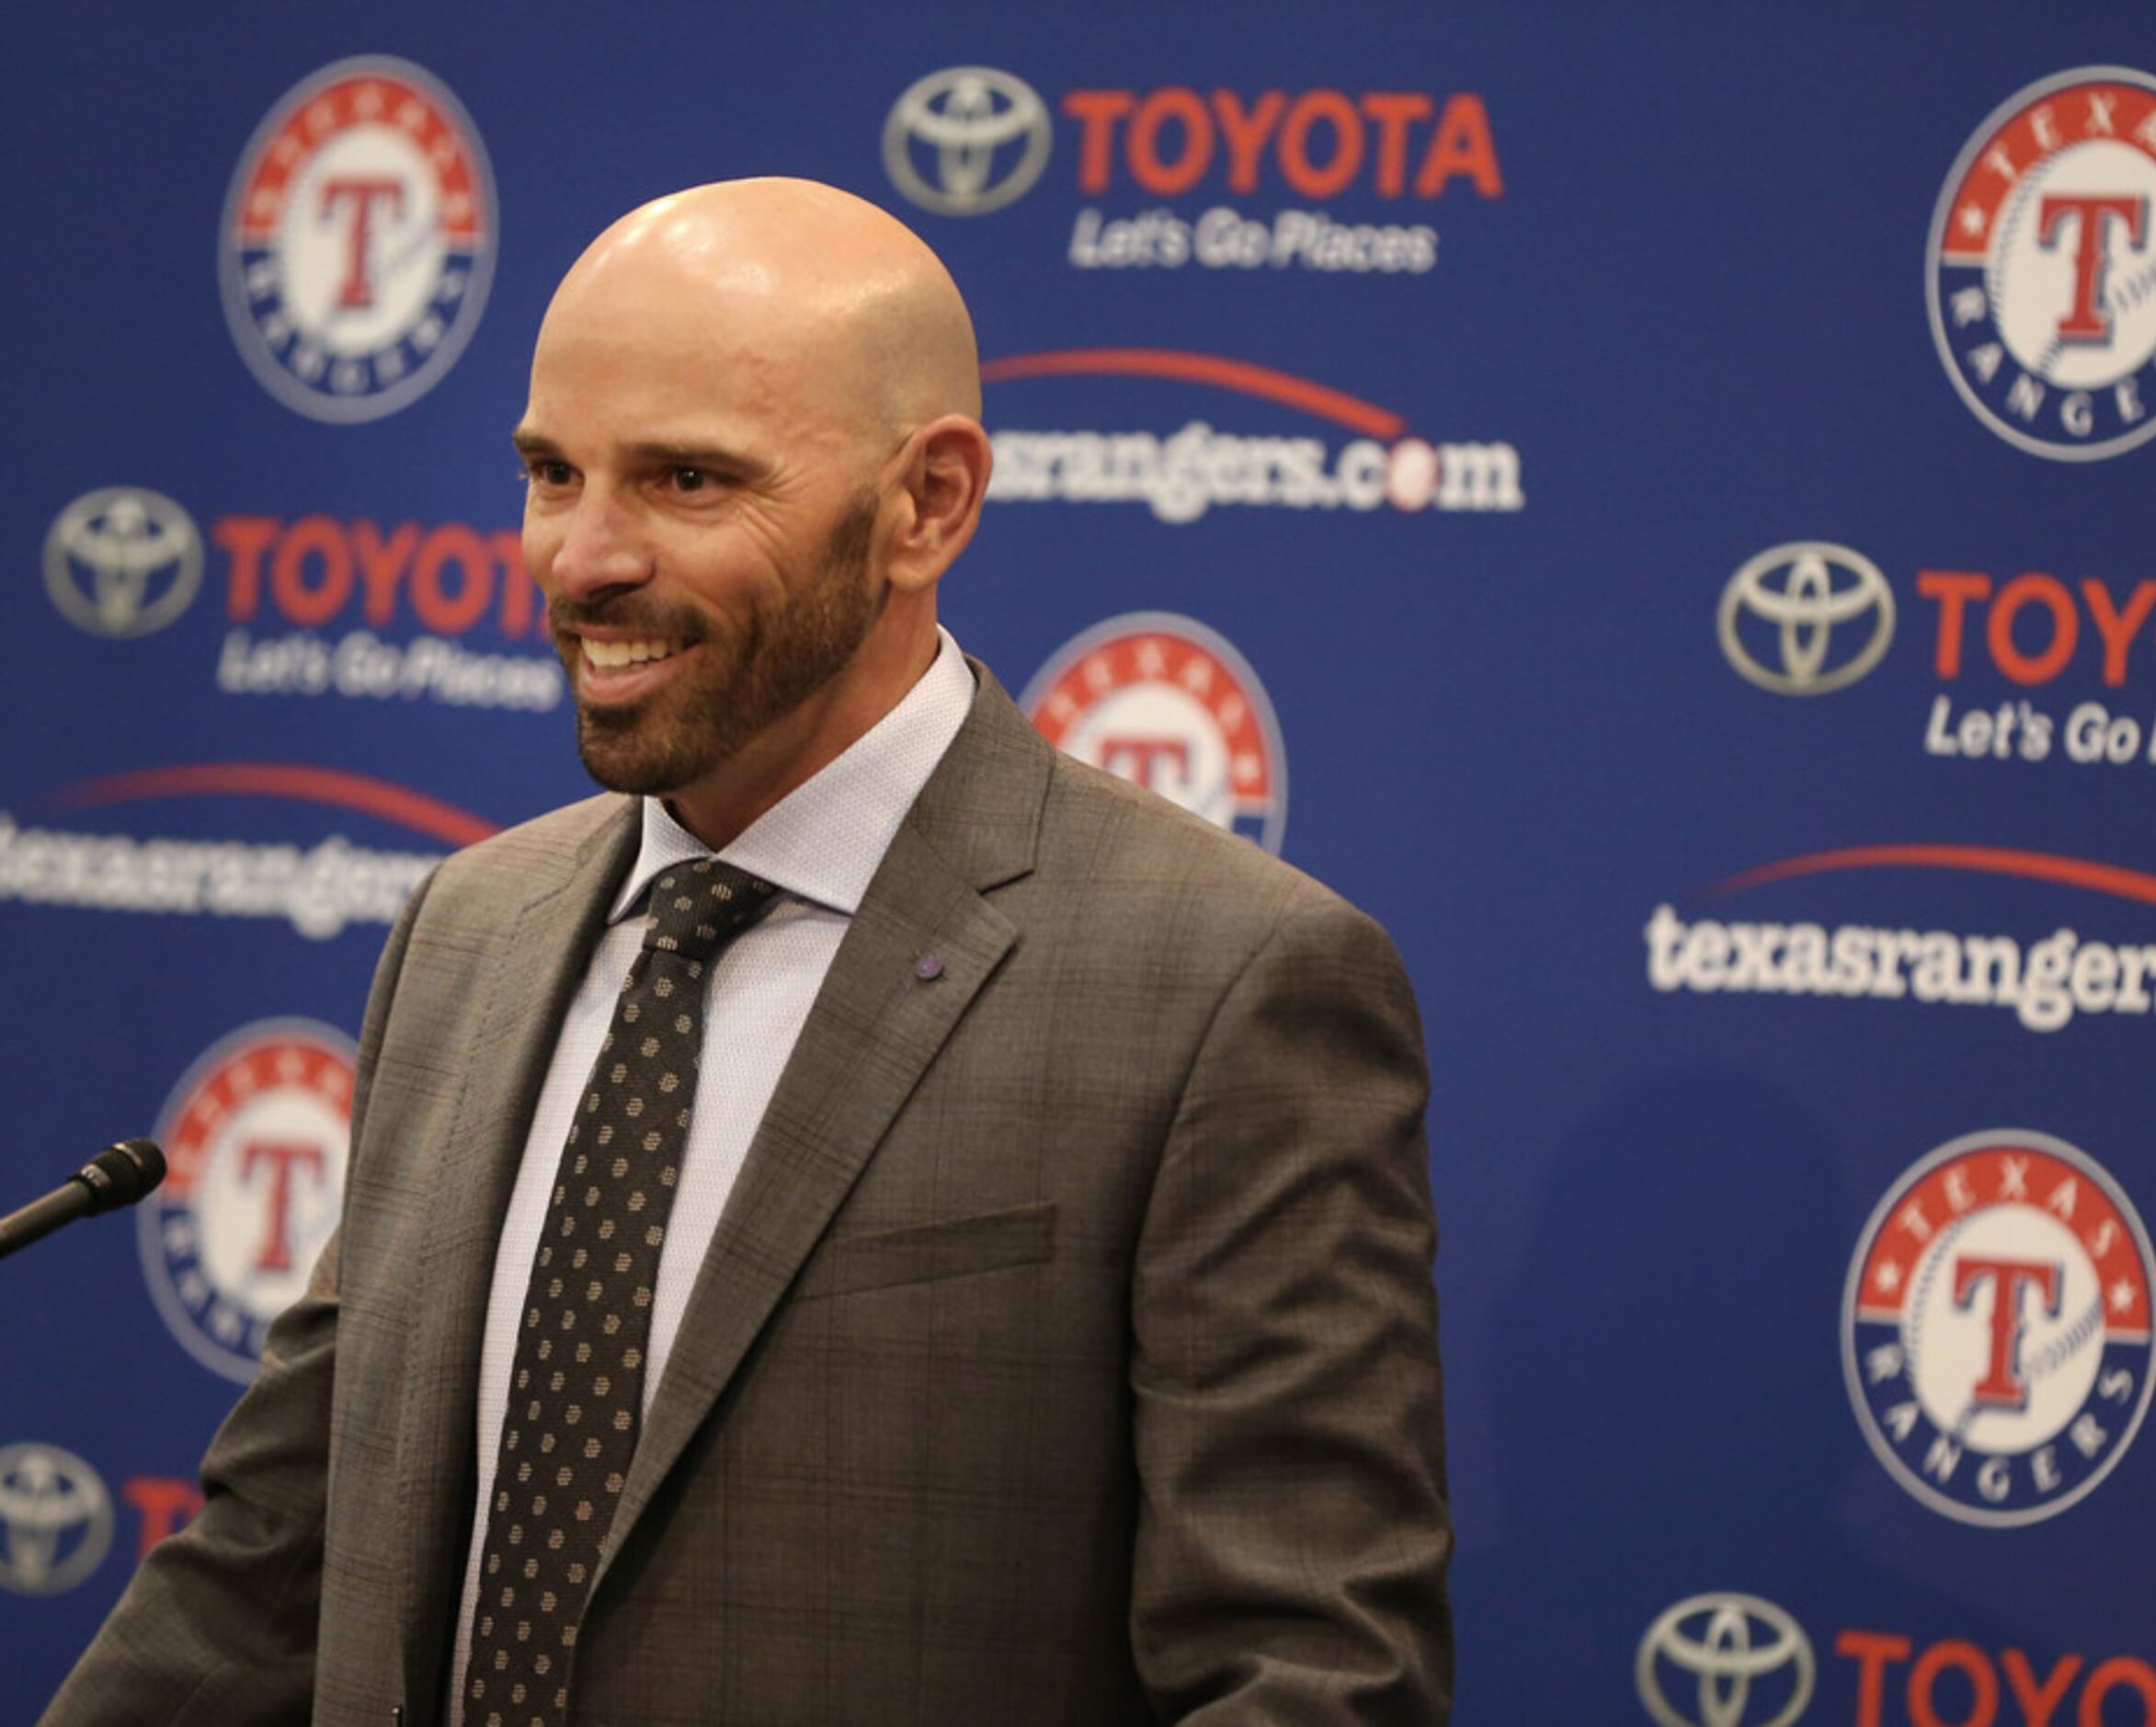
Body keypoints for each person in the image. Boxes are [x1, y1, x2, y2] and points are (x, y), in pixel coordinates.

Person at [44, 178, 1451, 1726]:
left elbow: (1307, 1677)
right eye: (550, 471)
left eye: (687, 481)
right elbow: (276, 1559)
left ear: (928, 505)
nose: (580, 559)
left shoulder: (1226, 989)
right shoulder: (468, 931)